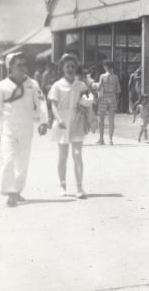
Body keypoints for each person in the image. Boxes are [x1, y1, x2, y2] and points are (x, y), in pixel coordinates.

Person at [0, 52, 49, 207]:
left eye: (24, 64)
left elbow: (41, 103)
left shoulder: (33, 84)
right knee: (8, 160)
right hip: (8, 130)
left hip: (26, 129)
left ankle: (15, 191)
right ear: (11, 68)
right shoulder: (2, 86)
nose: (23, 68)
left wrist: (43, 122)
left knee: (22, 163)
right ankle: (10, 191)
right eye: (19, 65)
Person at [48, 54, 91, 198]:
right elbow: (53, 105)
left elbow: (88, 101)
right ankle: (62, 185)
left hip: (77, 120)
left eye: (73, 66)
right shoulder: (57, 85)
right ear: (62, 68)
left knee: (77, 155)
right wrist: (58, 119)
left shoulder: (81, 85)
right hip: (62, 122)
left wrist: (87, 111)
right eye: (68, 66)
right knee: (63, 156)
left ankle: (79, 187)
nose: (71, 69)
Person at [96, 60, 121, 145]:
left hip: (103, 98)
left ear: (106, 67)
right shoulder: (115, 77)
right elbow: (118, 90)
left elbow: (99, 88)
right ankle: (110, 140)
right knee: (111, 120)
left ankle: (101, 139)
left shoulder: (102, 76)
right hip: (112, 98)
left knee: (101, 120)